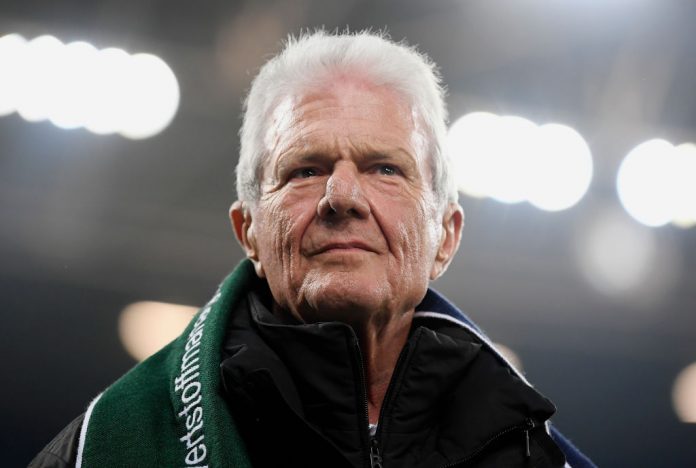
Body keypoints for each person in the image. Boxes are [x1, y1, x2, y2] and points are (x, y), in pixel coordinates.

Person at [31, 30, 595, 468]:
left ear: (445, 236)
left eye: (384, 168)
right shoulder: (100, 449)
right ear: (249, 231)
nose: (342, 196)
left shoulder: (530, 453)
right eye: (305, 169)